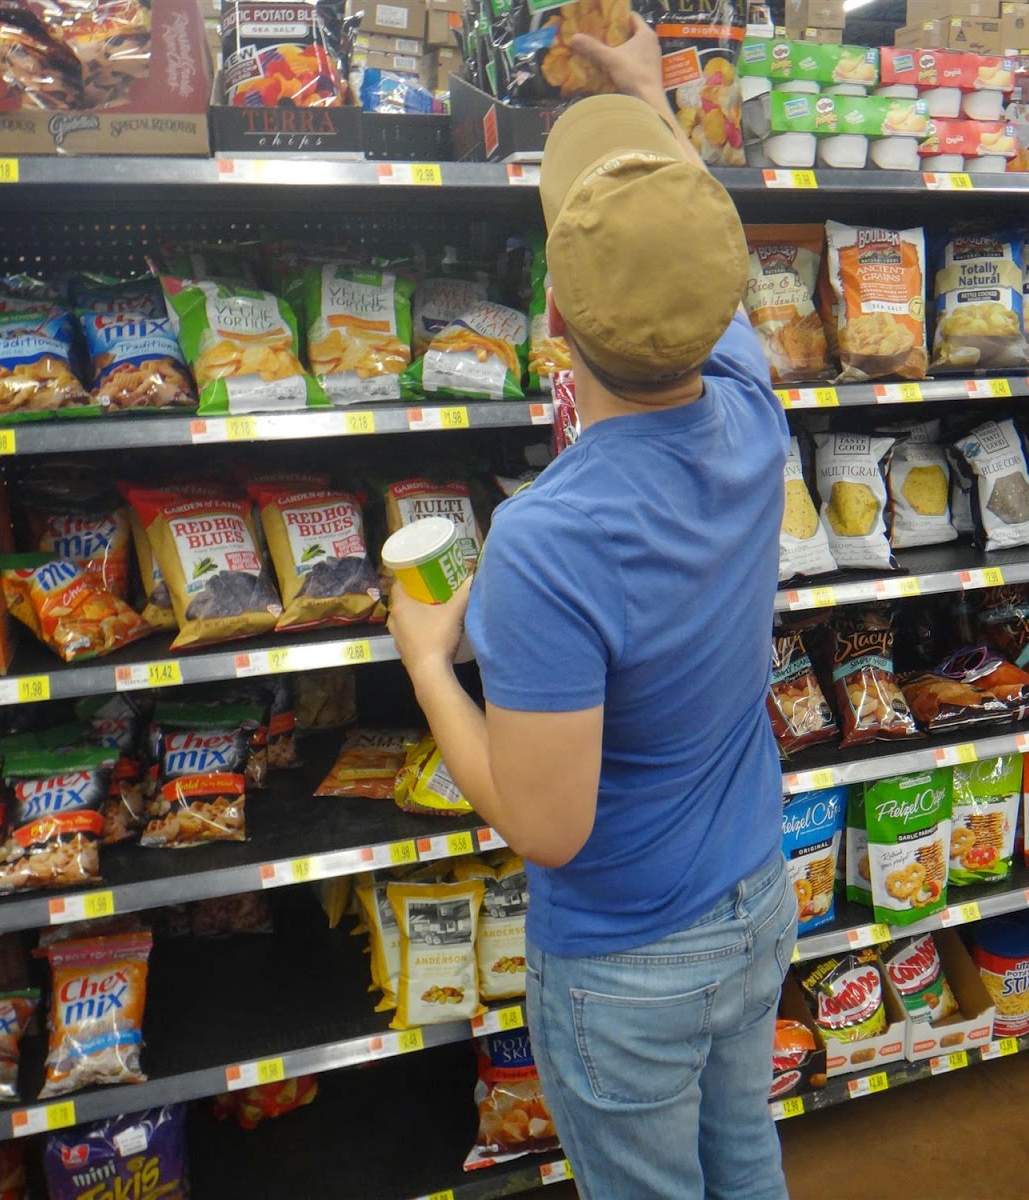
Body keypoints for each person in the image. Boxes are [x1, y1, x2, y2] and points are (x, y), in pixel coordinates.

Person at [388, 16, 793, 1199]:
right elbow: (696, 255)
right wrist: (648, 94)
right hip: (755, 899)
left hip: (629, 962)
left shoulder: (550, 540)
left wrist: (425, 663)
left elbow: (548, 829)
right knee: (745, 1159)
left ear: (552, 329)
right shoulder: (749, 404)